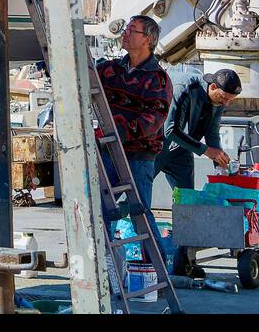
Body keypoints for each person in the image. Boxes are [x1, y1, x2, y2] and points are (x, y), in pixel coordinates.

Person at [96, 15, 174, 259]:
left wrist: (119, 132)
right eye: (127, 29)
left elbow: (154, 119)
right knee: (100, 207)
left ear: (147, 40)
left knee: (139, 212)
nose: (125, 33)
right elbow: (83, 76)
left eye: (132, 30)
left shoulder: (157, 78)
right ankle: (105, 261)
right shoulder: (111, 69)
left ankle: (153, 265)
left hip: (138, 156)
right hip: (110, 151)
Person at [155, 68, 243, 191]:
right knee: (137, 193)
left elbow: (212, 133)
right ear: (212, 87)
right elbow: (170, 130)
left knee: (186, 198)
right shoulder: (183, 88)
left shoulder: (218, 100)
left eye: (229, 100)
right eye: (224, 98)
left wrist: (221, 164)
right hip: (153, 146)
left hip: (181, 149)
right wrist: (206, 150)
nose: (226, 104)